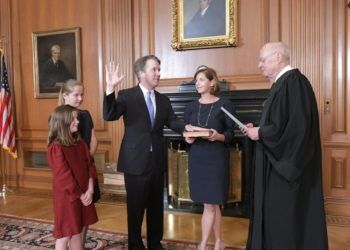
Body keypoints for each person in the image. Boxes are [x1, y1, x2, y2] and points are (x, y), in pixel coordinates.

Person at [242, 42, 329, 250]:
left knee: (285, 221)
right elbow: (280, 123)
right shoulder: (284, 84)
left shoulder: (294, 83)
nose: (259, 65)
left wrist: (261, 132)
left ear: (278, 58)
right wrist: (259, 128)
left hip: (287, 172)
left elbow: (296, 131)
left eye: (263, 60)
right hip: (278, 167)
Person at [103, 55, 191, 250]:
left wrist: (187, 129)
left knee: (156, 208)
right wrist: (110, 89)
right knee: (135, 208)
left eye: (159, 69)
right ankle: (135, 245)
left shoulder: (163, 99)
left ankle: (155, 243)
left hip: (157, 161)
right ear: (141, 73)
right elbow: (109, 115)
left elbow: (173, 121)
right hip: (135, 161)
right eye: (154, 69)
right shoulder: (127, 95)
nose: (158, 73)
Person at [183, 67, 235, 250]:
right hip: (197, 158)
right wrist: (188, 137)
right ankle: (219, 241)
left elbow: (231, 133)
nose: (197, 83)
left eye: (201, 79)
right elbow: (186, 134)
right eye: (196, 80)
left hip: (216, 158)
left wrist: (218, 136)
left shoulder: (225, 104)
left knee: (211, 204)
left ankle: (203, 244)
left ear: (212, 82)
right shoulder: (190, 107)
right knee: (212, 204)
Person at [47, 105, 98, 250]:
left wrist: (90, 190)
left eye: (77, 118)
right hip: (67, 198)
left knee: (77, 232)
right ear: (62, 122)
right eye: (73, 119)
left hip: (84, 193)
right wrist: (80, 195)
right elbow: (64, 176)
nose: (77, 122)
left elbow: (90, 166)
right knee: (64, 235)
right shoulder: (56, 147)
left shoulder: (80, 143)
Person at [57, 79, 99, 247]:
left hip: (87, 169)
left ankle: (79, 244)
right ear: (65, 96)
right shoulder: (58, 116)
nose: (80, 98)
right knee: (71, 216)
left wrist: (85, 160)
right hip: (70, 174)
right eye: (76, 95)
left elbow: (94, 140)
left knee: (86, 213)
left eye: (82, 94)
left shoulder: (86, 115)